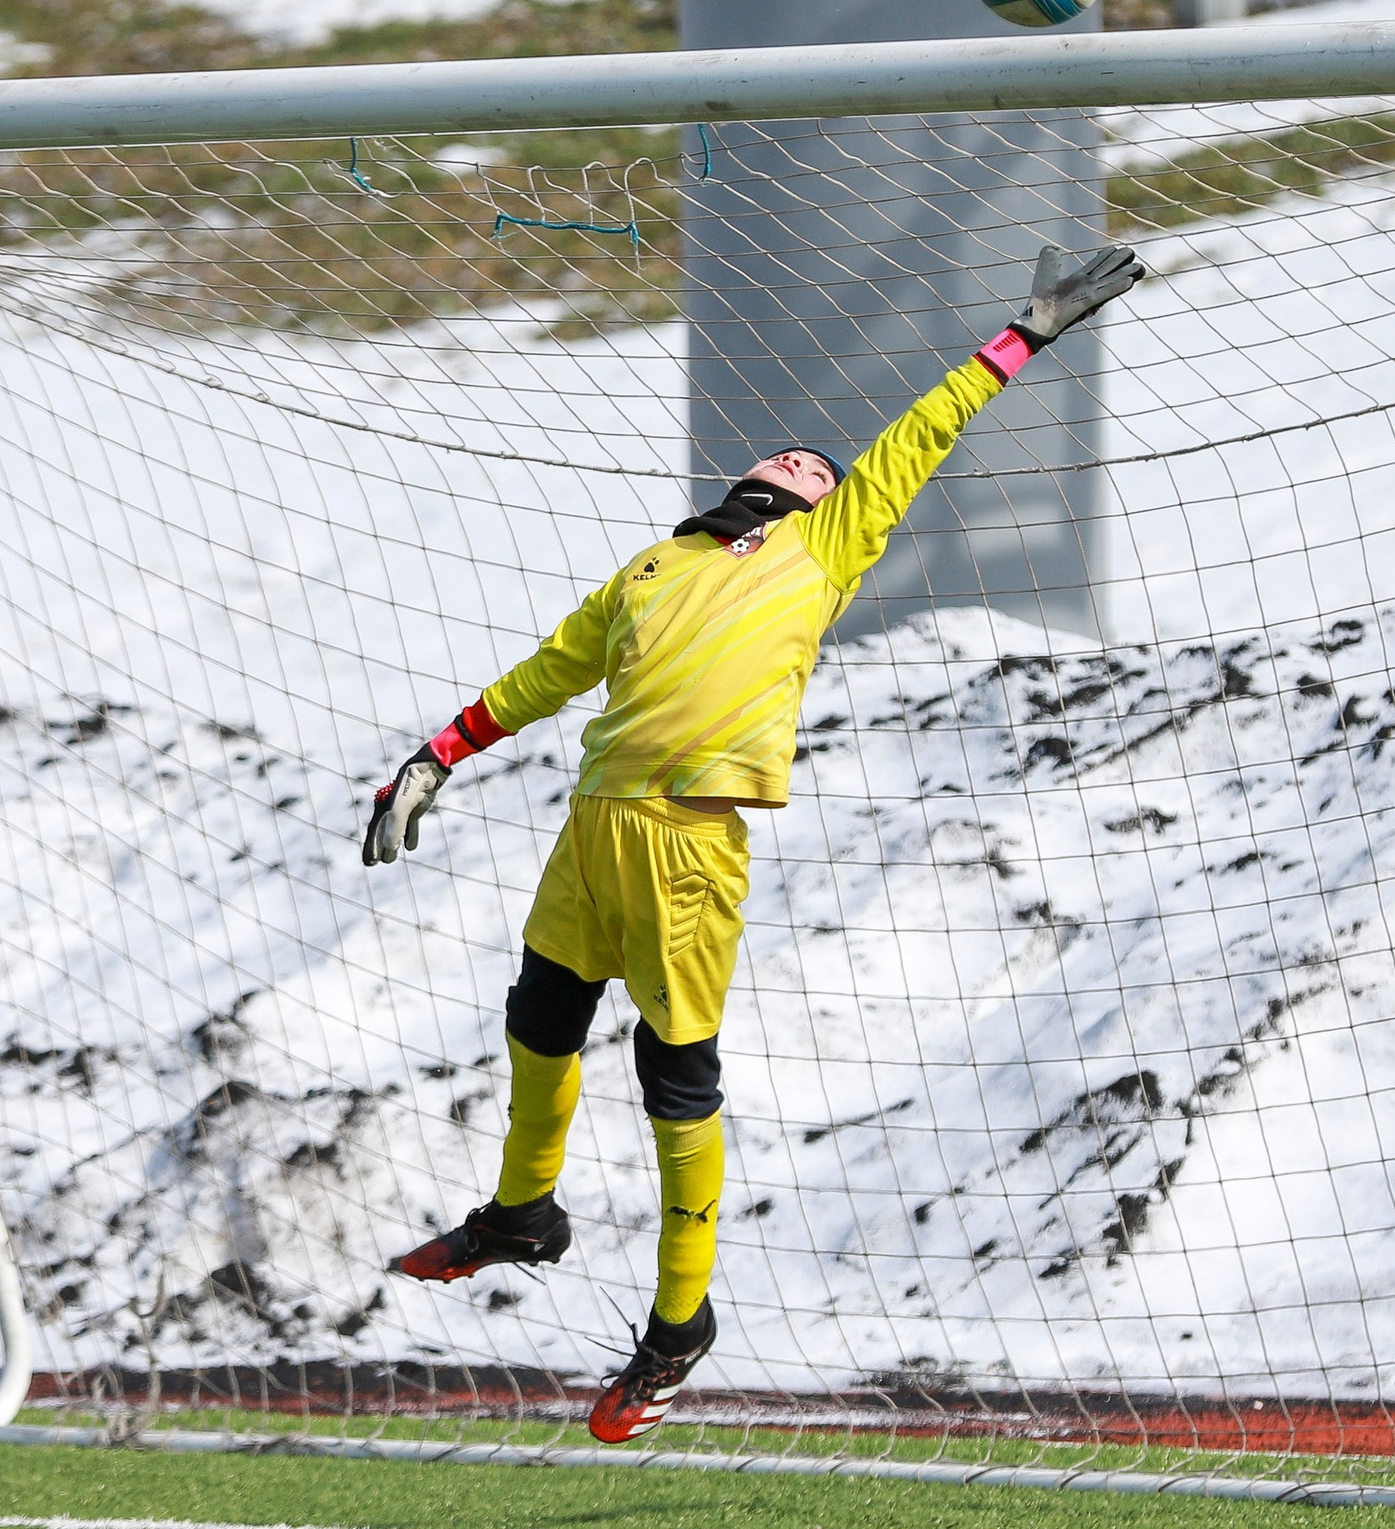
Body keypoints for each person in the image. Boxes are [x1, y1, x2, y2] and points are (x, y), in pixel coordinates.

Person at [363, 243, 1145, 1443]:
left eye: (821, 467)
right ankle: (522, 1213)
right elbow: (546, 676)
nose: (805, 463)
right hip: (592, 828)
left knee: (674, 1077)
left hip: (689, 840)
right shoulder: (651, 563)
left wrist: (1022, 336)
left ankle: (679, 1327)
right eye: (795, 459)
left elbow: (916, 439)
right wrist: (436, 754)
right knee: (539, 1017)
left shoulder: (824, 549)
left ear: (826, 500)